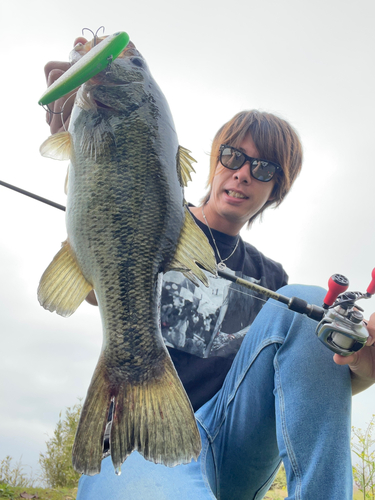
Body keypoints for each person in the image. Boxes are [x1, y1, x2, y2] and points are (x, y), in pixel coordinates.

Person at [44, 42, 375, 499]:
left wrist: (364, 369)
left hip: (232, 445)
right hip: (142, 437)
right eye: (234, 157)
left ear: (275, 189)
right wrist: (85, 139)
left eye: (262, 168)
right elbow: (98, 285)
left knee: (312, 307)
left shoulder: (274, 281)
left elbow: (297, 388)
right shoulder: (158, 216)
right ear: (215, 160)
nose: (242, 174)